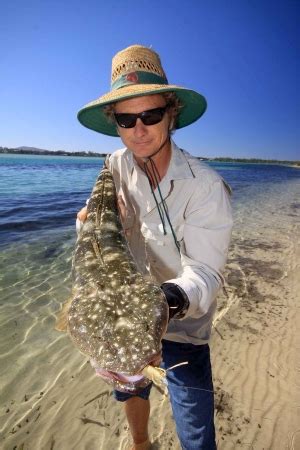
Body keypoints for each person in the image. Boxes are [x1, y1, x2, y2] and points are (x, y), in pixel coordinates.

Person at [77, 45, 233, 450]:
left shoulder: (207, 186)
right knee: (130, 390)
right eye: (127, 119)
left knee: (197, 434)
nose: (139, 129)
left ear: (172, 112)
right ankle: (141, 443)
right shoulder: (114, 165)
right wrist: (86, 225)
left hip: (183, 323)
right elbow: (100, 231)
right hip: (121, 324)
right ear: (115, 123)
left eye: (151, 115)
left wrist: (161, 302)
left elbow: (205, 274)